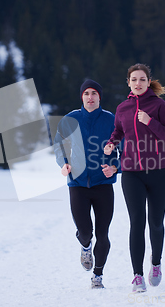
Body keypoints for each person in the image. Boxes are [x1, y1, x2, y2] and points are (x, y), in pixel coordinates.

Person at [104, 63, 165, 293]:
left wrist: (150, 122)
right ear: (128, 82)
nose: (138, 83)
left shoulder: (158, 105)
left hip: (158, 172)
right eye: (134, 79)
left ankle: (155, 264)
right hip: (131, 173)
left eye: (142, 80)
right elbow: (118, 131)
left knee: (155, 223)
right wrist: (111, 143)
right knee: (136, 222)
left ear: (148, 82)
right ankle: (137, 276)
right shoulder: (122, 108)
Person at [54, 79, 120, 289]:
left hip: (103, 184)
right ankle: (85, 246)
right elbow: (59, 145)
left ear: (100, 97)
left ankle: (98, 275)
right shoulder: (70, 119)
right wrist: (64, 163)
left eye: (94, 93)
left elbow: (125, 149)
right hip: (78, 184)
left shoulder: (112, 120)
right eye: (86, 94)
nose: (90, 97)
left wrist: (115, 167)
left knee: (103, 234)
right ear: (81, 97)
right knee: (85, 232)